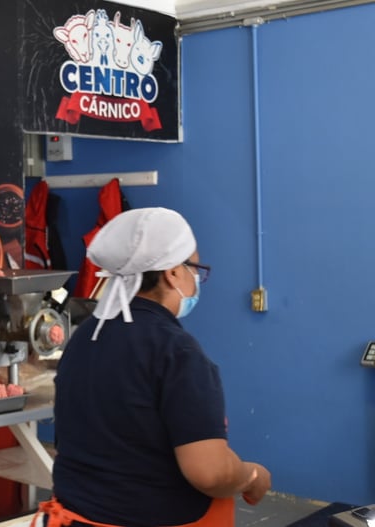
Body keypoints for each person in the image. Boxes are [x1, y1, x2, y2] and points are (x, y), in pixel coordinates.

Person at [37, 207, 271, 527]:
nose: (197, 280)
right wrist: (252, 475)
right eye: (196, 269)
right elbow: (210, 472)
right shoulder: (177, 351)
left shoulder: (86, 336)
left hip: (76, 517)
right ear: (173, 273)